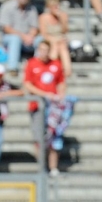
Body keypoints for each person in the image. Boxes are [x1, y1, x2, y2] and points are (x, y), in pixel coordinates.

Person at [24, 40, 67, 177]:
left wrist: (60, 96)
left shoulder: (56, 64)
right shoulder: (32, 63)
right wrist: (44, 95)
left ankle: (53, 167)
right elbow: (28, 84)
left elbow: (61, 82)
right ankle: (42, 166)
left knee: (54, 137)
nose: (44, 53)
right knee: (39, 138)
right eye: (41, 50)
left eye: (46, 50)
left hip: (53, 108)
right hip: (37, 106)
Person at [0, 0, 40, 76]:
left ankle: (38, 66)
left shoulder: (32, 8)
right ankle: (13, 67)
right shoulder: (6, 7)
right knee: (15, 39)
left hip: (27, 38)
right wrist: (23, 36)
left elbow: (35, 27)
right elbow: (6, 28)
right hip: (10, 38)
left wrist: (31, 36)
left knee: (41, 40)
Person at [39, 0, 72, 79]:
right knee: (56, 45)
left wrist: (61, 19)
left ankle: (67, 71)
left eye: (57, 6)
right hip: (49, 39)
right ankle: (53, 67)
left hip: (61, 39)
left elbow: (65, 31)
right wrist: (53, 39)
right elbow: (43, 34)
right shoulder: (43, 17)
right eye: (53, 6)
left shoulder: (63, 15)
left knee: (62, 45)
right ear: (49, 7)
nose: (56, 8)